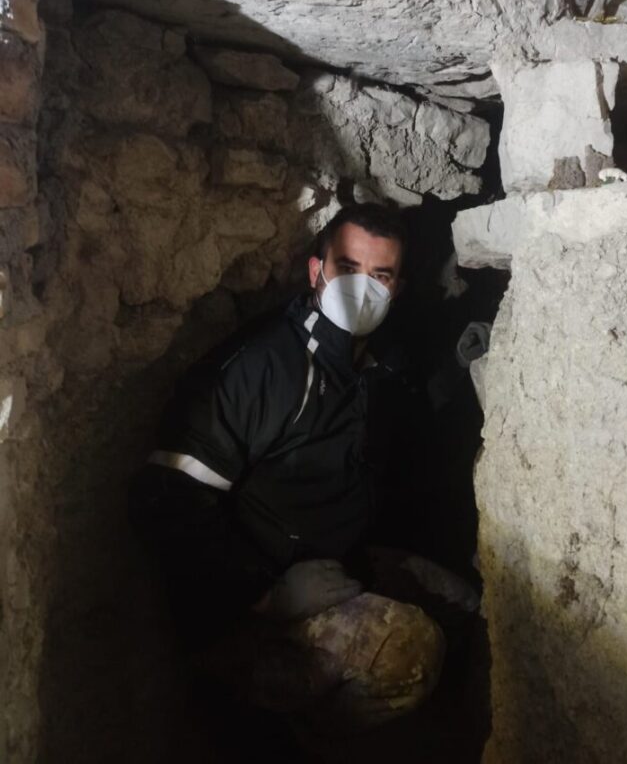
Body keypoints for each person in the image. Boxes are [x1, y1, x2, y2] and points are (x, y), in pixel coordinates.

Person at [130, 202, 477, 737]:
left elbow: (405, 413)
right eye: (348, 267)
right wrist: (266, 595)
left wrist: (455, 365)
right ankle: (280, 734)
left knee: (469, 608)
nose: (363, 287)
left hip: (339, 565)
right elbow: (165, 494)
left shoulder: (373, 361)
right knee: (408, 654)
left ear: (396, 289)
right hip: (246, 606)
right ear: (317, 270)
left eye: (380, 275)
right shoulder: (266, 365)